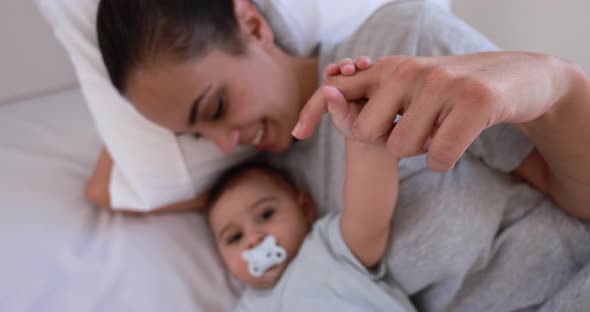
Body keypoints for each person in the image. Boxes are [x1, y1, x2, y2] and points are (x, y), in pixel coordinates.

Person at [92, 0, 590, 310]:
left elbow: (577, 195)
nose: (224, 143)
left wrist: (556, 82)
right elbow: (107, 191)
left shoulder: (399, 47)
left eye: (217, 107)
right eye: (195, 136)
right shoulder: (268, 190)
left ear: (254, 24)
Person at [203, 138, 412, 311]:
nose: (253, 238)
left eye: (266, 215)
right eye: (235, 237)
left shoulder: (326, 247)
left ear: (305, 209)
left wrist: (369, 140)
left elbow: (367, 219)